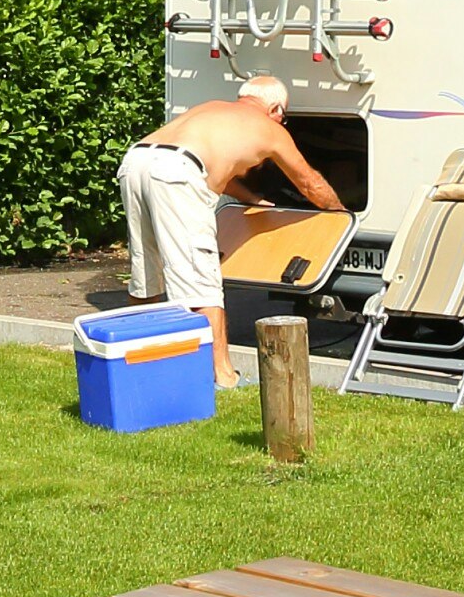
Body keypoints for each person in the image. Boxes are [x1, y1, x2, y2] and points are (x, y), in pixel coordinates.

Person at [122, 77, 345, 379]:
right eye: (284, 115)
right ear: (275, 108)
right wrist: (340, 212)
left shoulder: (211, 109)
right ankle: (222, 376)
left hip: (137, 159)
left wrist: (253, 199)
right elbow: (309, 182)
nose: (283, 121)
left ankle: (138, 360)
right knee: (202, 282)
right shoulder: (270, 129)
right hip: (177, 174)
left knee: (146, 271)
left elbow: (215, 168)